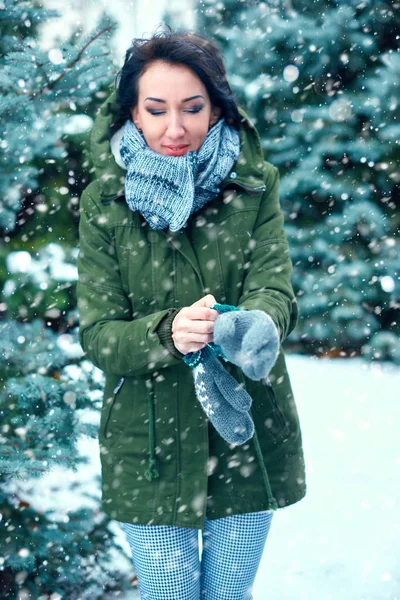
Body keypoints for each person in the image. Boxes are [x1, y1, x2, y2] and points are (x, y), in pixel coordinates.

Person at [77, 25, 306, 600]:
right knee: (171, 589)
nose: (175, 129)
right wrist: (165, 333)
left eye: (193, 108)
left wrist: (255, 324)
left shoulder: (255, 188)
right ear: (132, 111)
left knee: (228, 592)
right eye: (156, 110)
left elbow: (276, 293)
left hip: (244, 433)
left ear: (217, 107)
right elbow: (99, 334)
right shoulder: (105, 204)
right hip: (146, 439)